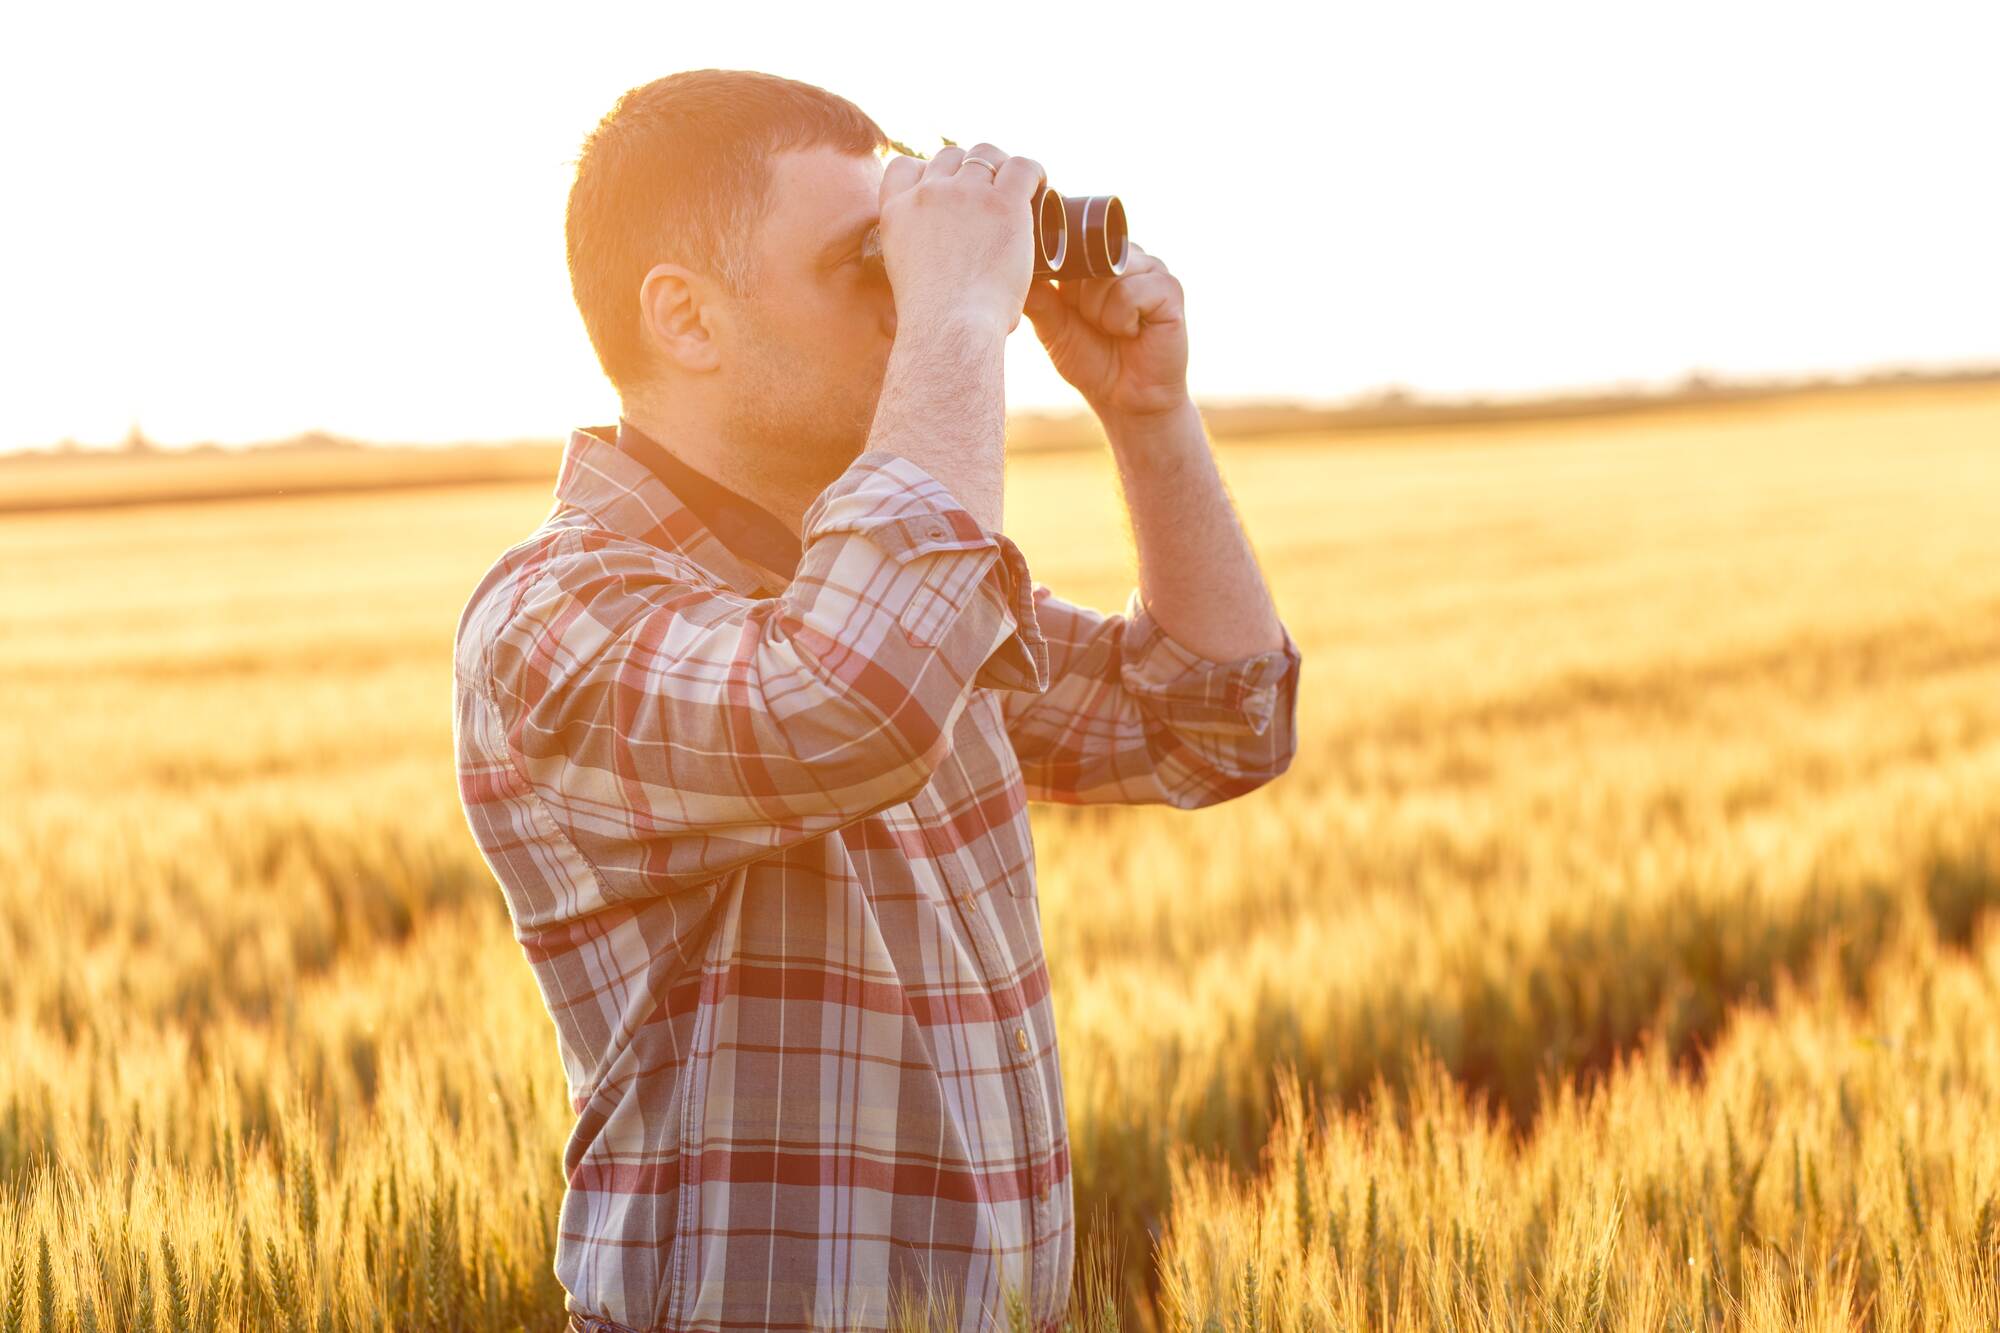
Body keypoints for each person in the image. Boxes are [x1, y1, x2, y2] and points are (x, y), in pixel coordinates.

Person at [451, 68, 1302, 1333]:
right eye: (866, 263)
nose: (906, 300)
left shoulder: (881, 586)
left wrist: (1146, 411)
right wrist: (957, 313)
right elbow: (850, 700)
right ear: (686, 319)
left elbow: (1214, 722)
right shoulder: (550, 618)